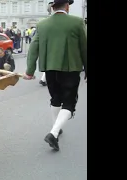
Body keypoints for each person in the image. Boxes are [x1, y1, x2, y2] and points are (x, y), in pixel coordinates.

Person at [23, 0, 87, 151]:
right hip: (70, 69)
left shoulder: (42, 25)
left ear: (53, 7)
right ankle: (53, 133)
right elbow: (85, 48)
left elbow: (33, 48)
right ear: (67, 6)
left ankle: (56, 128)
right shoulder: (77, 22)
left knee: (55, 99)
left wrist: (30, 71)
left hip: (49, 69)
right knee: (69, 103)